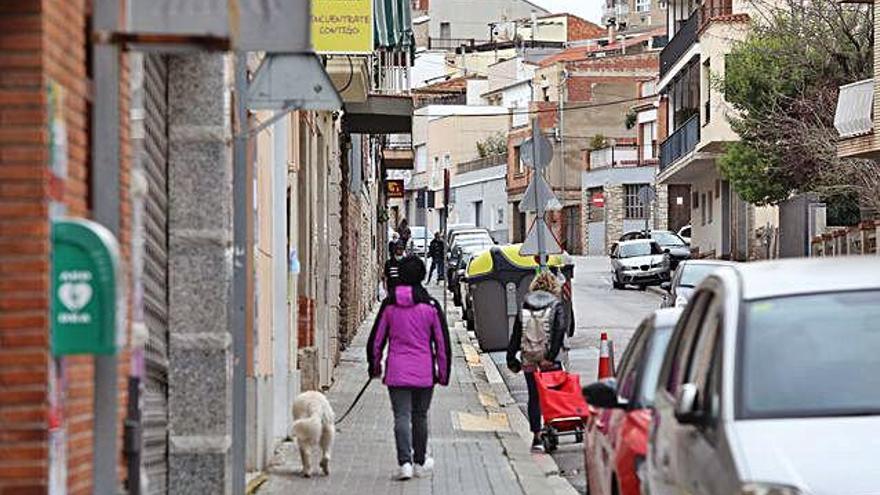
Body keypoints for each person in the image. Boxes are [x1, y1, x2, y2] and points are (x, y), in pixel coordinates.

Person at [367, 256, 452, 480]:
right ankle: (420, 461)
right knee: (420, 416)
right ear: (422, 276)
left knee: (401, 416)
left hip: (397, 371)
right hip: (424, 372)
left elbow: (376, 340)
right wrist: (443, 374)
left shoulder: (390, 305)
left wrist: (374, 366)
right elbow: (442, 344)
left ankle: (404, 463)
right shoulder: (431, 306)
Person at [505, 270, 568, 452]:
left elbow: (517, 333)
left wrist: (511, 358)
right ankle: (551, 428)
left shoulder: (525, 304)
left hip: (529, 359)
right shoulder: (556, 305)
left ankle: (537, 437)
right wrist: (550, 357)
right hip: (550, 361)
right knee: (551, 396)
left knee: (534, 397)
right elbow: (559, 332)